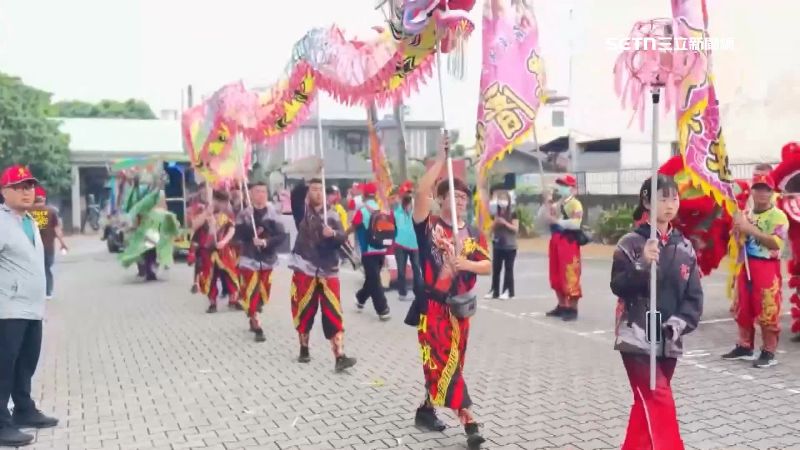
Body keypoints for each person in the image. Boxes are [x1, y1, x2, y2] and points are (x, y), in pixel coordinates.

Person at [408, 138, 491, 449]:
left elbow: (487, 265)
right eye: (454, 196)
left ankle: (425, 411)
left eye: (464, 197)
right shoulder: (427, 226)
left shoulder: (473, 233)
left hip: (461, 310)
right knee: (445, 364)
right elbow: (420, 193)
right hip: (433, 308)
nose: (460, 201)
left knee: (449, 365)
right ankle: (470, 423)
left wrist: (465, 263)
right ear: (441, 200)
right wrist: (442, 160)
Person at [610, 175, 703, 450]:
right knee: (658, 397)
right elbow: (618, 285)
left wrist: (678, 324)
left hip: (668, 335)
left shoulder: (685, 246)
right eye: (662, 198)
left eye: (674, 198)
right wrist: (642, 264)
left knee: (647, 404)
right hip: (638, 332)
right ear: (647, 202)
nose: (670, 204)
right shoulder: (630, 243)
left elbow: (694, 297)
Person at [0, 165, 59, 447]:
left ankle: (24, 409)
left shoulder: (30, 221)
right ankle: (1, 423)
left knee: (26, 363)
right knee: (4, 366)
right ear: (4, 191)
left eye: (30, 186)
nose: (27, 192)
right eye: (19, 187)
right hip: (8, 309)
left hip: (32, 308)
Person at [289, 179, 357, 372]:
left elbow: (343, 238)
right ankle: (304, 348)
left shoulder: (333, 215)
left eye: (320, 189)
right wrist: (307, 178)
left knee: (333, 312)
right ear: (308, 192)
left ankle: (339, 356)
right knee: (305, 310)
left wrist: (333, 234)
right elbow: (295, 195)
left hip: (328, 270)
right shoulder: (302, 213)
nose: (318, 192)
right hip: (305, 268)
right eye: (314, 189)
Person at [722, 174, 787, 368]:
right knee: (743, 307)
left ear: (772, 192)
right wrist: (737, 233)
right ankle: (745, 346)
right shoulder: (745, 214)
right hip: (746, 265)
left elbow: (776, 243)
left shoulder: (778, 216)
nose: (761, 193)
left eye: (766, 189)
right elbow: (737, 242)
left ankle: (769, 351)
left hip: (767, 266)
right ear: (752, 191)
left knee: (767, 308)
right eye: (757, 188)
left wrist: (749, 229)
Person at [235, 179, 286, 342]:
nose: (261, 195)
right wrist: (250, 229)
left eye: (264, 191)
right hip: (249, 258)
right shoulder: (244, 214)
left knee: (263, 294)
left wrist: (265, 242)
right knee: (252, 291)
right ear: (250, 194)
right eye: (257, 191)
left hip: (267, 259)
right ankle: (257, 325)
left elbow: (281, 236)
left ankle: (253, 313)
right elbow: (238, 235)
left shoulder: (273, 213)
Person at [348, 182, 391, 321]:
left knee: (374, 280)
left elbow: (353, 226)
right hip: (382, 249)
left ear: (364, 195)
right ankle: (360, 298)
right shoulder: (382, 210)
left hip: (368, 251)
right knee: (372, 279)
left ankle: (382, 309)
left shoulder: (362, 211)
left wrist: (343, 235)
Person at [545, 175, 584, 321]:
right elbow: (544, 218)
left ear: (573, 188)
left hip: (568, 242)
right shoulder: (557, 204)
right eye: (561, 185)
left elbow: (576, 223)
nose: (562, 188)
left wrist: (558, 221)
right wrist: (547, 200)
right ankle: (562, 305)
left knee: (570, 274)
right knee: (556, 274)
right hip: (555, 240)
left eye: (565, 185)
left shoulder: (576, 204)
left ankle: (572, 308)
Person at [200, 190, 240, 313]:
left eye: (224, 202)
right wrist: (211, 223)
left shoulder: (227, 215)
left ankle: (233, 300)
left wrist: (224, 241)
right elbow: (202, 232)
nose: (222, 204)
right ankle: (212, 303)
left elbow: (232, 229)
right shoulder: (206, 214)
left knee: (230, 275)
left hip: (224, 251)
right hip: (209, 251)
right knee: (210, 277)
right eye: (219, 201)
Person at [29, 186, 67, 300]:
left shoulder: (28, 212)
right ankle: (48, 292)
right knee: (46, 269)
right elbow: (57, 229)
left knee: (35, 269)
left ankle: (37, 292)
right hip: (47, 247)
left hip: (32, 247)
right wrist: (62, 243)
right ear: (44, 199)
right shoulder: (51, 211)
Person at [487, 189, 518, 300]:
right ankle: (494, 291)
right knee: (496, 269)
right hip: (498, 244)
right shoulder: (496, 213)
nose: (502, 201)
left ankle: (508, 291)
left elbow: (516, 229)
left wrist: (505, 223)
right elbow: (490, 230)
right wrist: (495, 223)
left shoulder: (513, 213)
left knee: (508, 269)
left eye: (504, 199)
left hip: (510, 246)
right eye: (500, 199)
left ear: (508, 200)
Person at [393, 180, 422, 302]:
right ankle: (402, 293)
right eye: (406, 192)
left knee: (416, 269)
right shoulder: (397, 208)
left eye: (410, 192)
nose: (408, 195)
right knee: (401, 270)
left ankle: (419, 292)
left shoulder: (417, 207)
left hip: (415, 244)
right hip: (400, 243)